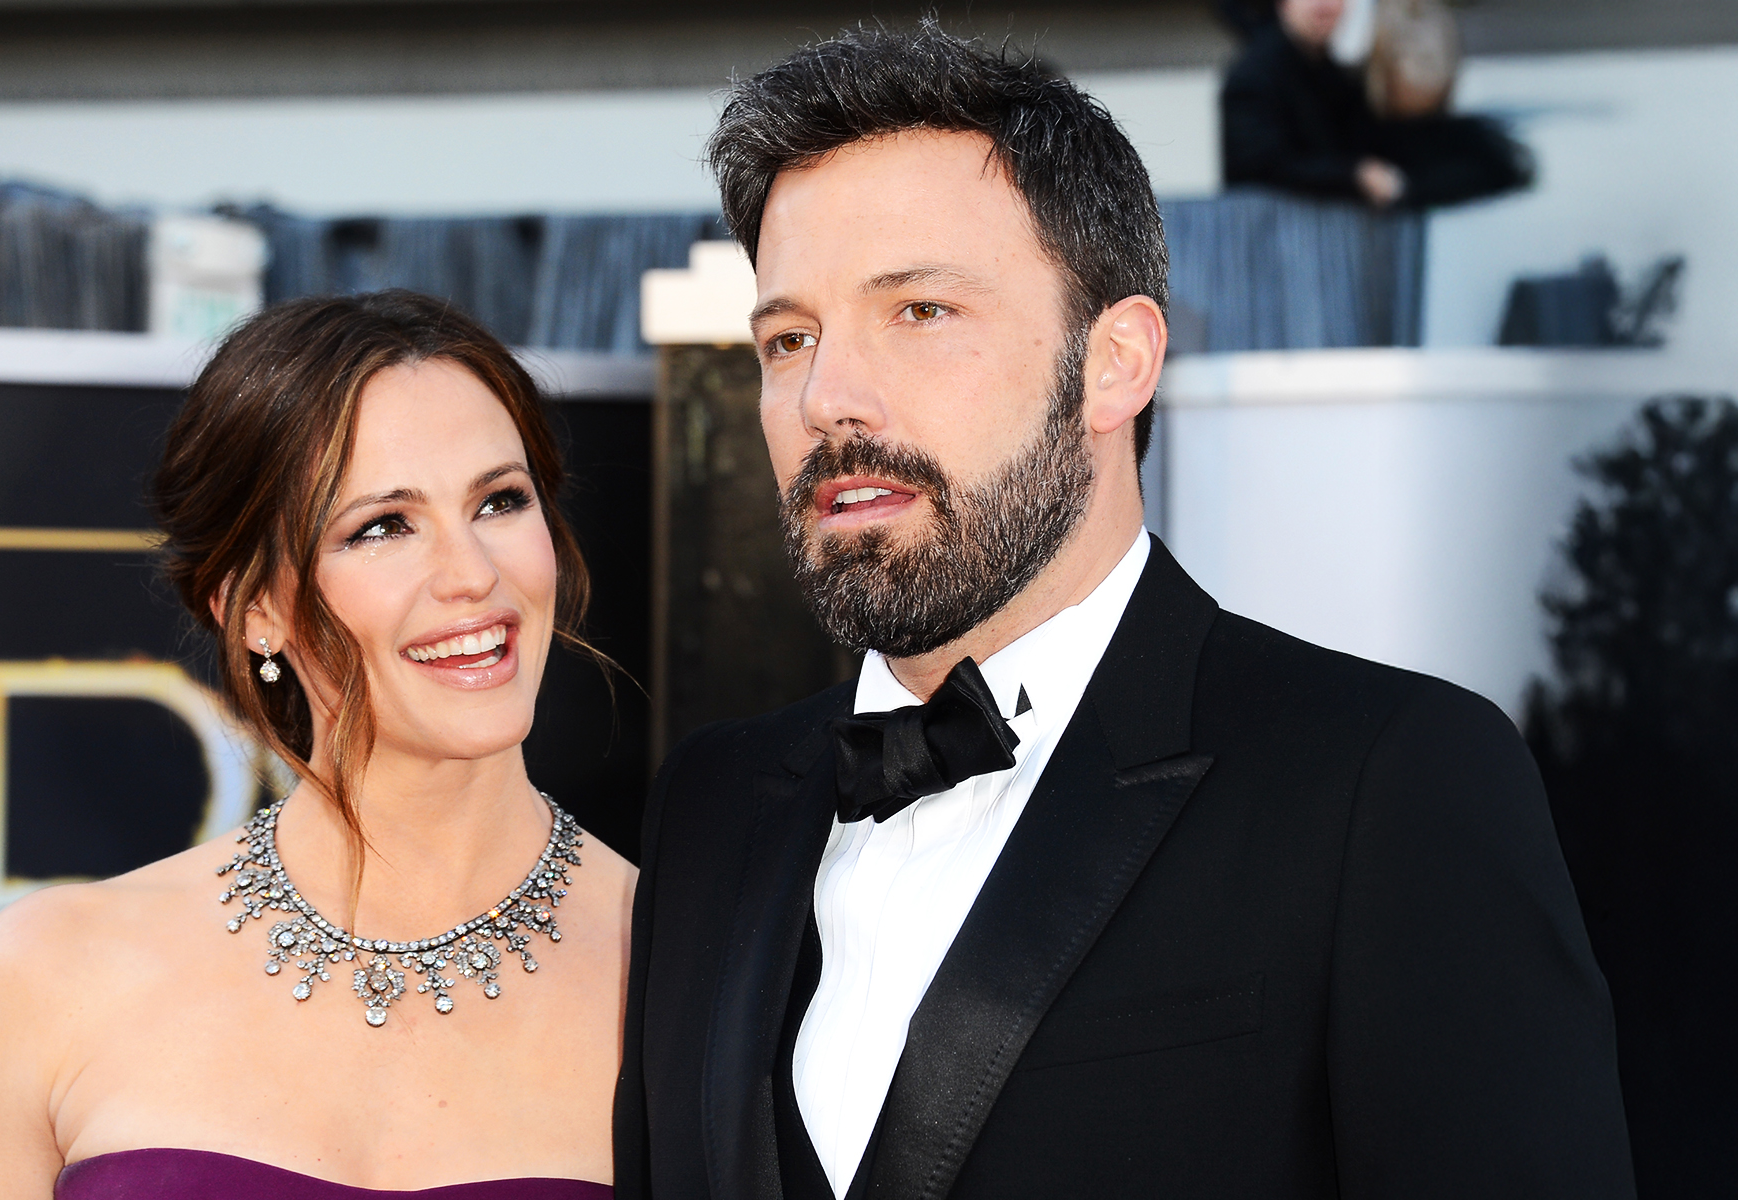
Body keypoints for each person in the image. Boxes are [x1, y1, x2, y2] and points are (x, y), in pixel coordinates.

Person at [614, 24, 1633, 1200]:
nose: (828, 396)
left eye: (921, 311)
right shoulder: (706, 811)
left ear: (1117, 363)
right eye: (789, 337)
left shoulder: (1391, 785)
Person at [0, 292, 636, 1199]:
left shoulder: (687, 981)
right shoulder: (47, 977)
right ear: (253, 608)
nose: (473, 575)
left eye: (500, 501)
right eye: (382, 526)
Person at [1221, 0, 1530, 208]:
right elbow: (1259, 169)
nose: (1326, 4)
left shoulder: (1325, 73)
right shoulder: (1257, 75)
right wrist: (1354, 176)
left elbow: (1384, 143)